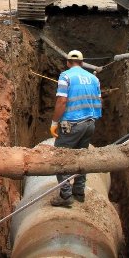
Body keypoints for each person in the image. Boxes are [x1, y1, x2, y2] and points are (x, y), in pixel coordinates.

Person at [49, 50, 102, 207]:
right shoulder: (94, 78)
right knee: (81, 157)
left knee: (59, 158)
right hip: (90, 124)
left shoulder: (66, 76)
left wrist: (54, 123)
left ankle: (66, 196)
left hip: (72, 125)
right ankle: (79, 192)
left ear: (67, 62)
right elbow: (100, 101)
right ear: (82, 62)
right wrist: (93, 119)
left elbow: (62, 101)